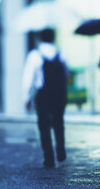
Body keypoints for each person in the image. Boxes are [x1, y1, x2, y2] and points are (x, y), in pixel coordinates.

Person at [22, 29, 68, 168]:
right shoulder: (61, 54)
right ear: (53, 37)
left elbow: (28, 79)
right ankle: (60, 148)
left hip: (43, 94)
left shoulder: (35, 55)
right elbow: (67, 73)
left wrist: (27, 97)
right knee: (58, 122)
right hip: (59, 94)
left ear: (40, 38)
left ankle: (49, 157)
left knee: (44, 126)